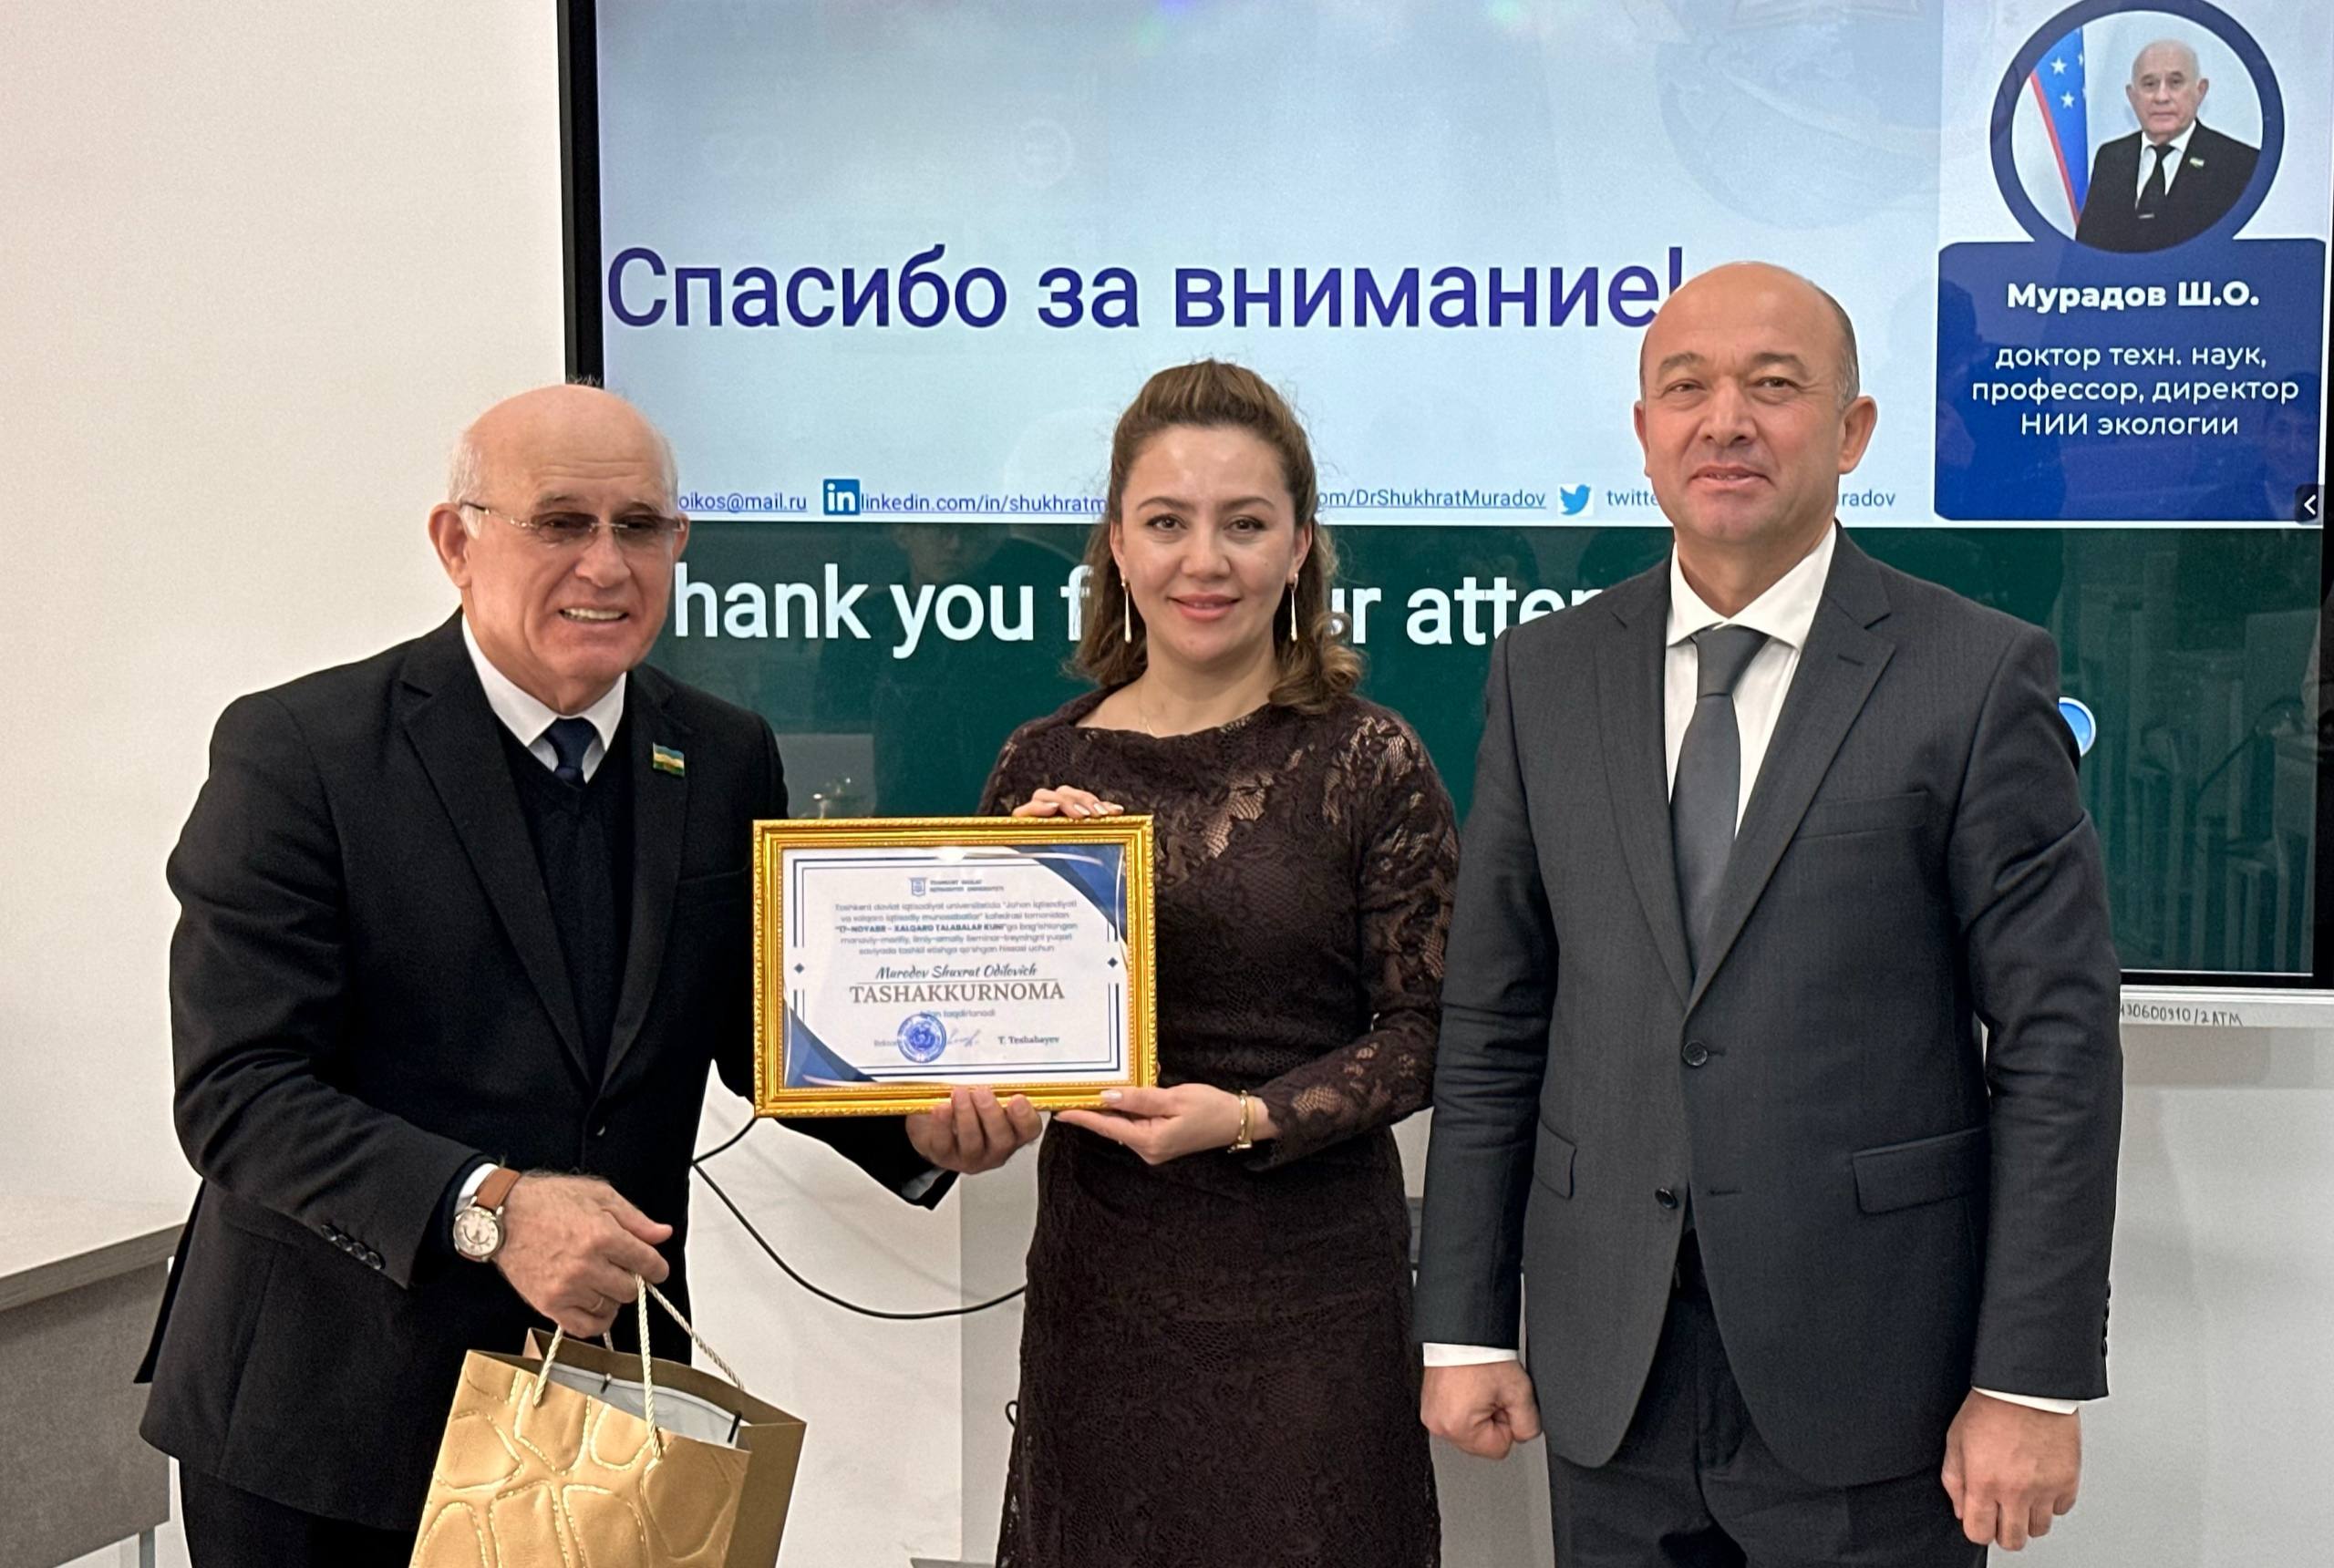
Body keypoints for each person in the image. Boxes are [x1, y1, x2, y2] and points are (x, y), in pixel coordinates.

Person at [137, 384, 1036, 1566]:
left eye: (640, 526)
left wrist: (916, 1121)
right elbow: (239, 1090)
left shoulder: (721, 752)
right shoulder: (301, 751)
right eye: (561, 522)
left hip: (601, 1415)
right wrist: (491, 1205)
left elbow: (758, 1028)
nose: (606, 565)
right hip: (326, 1419)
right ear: (457, 542)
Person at [1415, 263, 2123, 1563]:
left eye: (1774, 385)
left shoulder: (1974, 674)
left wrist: (2028, 1378)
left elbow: (2057, 1045)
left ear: (1852, 431)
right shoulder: (1545, 672)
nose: (1725, 420)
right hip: (1609, 1366)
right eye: (1686, 387)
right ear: (1644, 433)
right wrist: (1463, 1322)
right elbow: (1497, 1015)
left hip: (1876, 1373)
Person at [981, 360, 1455, 1566]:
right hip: (1102, 1301)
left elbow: (1430, 1031)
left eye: (1244, 524)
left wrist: (1249, 1117)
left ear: (1298, 548)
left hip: (1311, 1309)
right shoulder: (1037, 769)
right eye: (1166, 523)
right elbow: (988, 1049)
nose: (1205, 560)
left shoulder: (1369, 760)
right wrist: (1027, 896)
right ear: (1116, 546)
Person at [2074, 38, 2258, 253]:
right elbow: (2087, 252)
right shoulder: (2111, 158)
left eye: (2175, 83)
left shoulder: (2239, 163)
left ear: (2200, 91)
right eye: (2149, 84)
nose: (2161, 97)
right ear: (2132, 96)